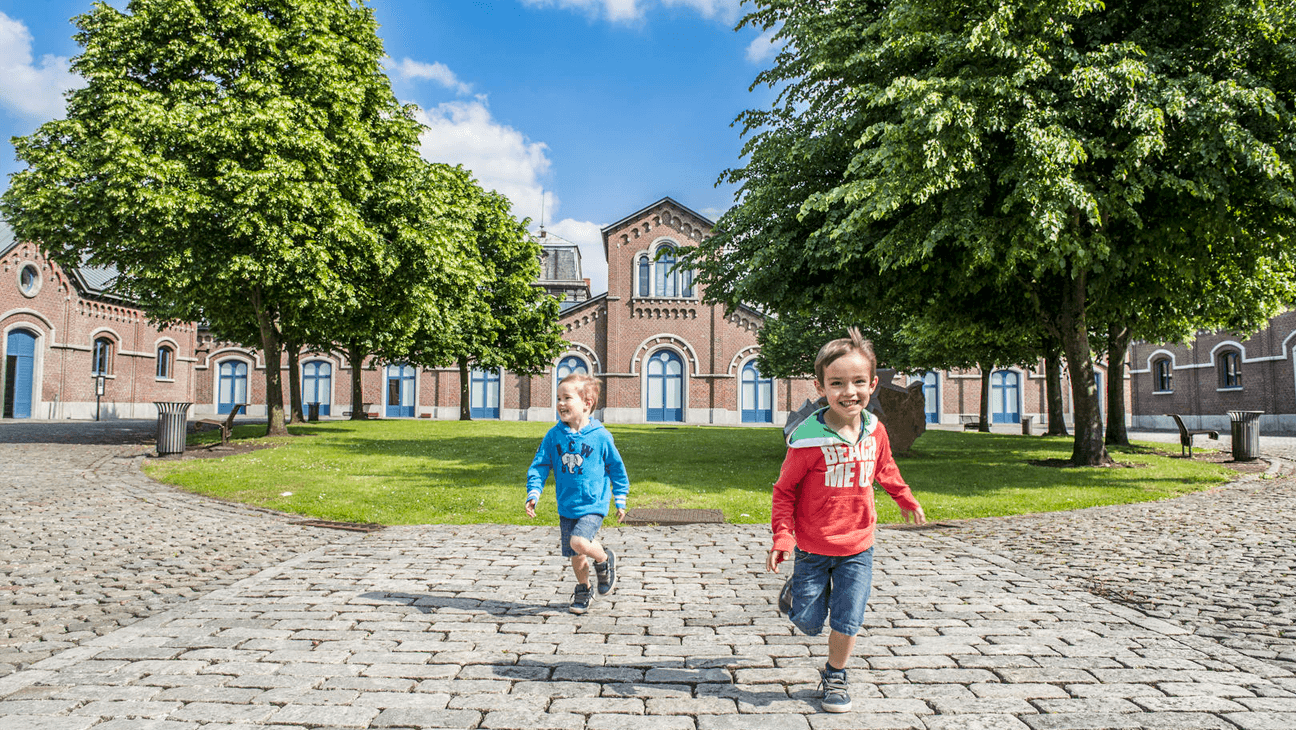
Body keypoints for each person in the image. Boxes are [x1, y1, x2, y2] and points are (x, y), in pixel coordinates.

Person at [768, 328, 926, 713]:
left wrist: (903, 497)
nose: (849, 391)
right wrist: (783, 539)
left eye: (858, 382)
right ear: (821, 387)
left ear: (872, 384)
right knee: (807, 621)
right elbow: (784, 492)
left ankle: (835, 674)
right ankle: (798, 593)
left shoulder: (876, 431)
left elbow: (884, 467)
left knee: (847, 616)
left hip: (858, 544)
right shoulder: (808, 440)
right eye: (837, 383)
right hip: (813, 546)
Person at [526, 373, 629, 614]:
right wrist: (534, 492)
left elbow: (616, 468)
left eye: (567, 398)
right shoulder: (554, 435)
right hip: (567, 504)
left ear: (587, 403)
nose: (561, 403)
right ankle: (584, 589)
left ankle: (604, 559)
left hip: (594, 503)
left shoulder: (601, 436)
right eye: (558, 398)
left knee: (579, 542)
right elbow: (540, 465)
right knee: (576, 553)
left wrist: (620, 498)